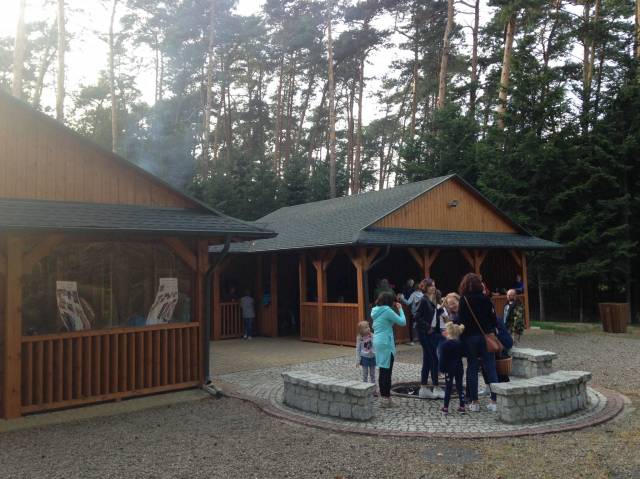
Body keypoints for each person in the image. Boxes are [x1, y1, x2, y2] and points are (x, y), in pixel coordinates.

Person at [458, 272, 499, 412]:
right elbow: (494, 319)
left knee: (472, 368)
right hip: (486, 336)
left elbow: (461, 320)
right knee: (490, 367)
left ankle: (474, 402)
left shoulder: (464, 300)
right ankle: (494, 401)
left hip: (470, 338)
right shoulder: (486, 298)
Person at [371, 292, 406, 407]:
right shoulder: (387, 311)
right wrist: (400, 309)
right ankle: (386, 399)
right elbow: (402, 322)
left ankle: (384, 398)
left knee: (382, 370)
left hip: (378, 341)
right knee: (387, 371)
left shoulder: (375, 310)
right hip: (386, 342)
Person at [414, 278, 445, 399]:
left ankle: (424, 388)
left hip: (430, 333)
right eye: (431, 285)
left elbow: (433, 315)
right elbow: (417, 317)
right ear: (426, 287)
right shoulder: (423, 300)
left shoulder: (430, 300)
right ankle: (435, 387)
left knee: (428, 359)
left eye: (434, 285)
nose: (434, 287)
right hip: (424, 333)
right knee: (433, 359)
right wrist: (428, 327)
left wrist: (440, 310)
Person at [439, 322, 466, 414]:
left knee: (448, 387)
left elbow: (442, 359)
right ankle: (462, 406)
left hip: (449, 369)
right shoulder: (461, 344)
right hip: (459, 367)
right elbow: (464, 354)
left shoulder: (444, 345)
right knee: (459, 386)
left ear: (448, 332)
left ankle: (445, 407)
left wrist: (441, 369)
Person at [398, 280, 421, 345]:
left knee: (411, 327)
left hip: (414, 313)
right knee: (420, 326)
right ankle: (421, 340)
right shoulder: (422, 295)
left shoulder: (413, 294)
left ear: (415, 288)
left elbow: (408, 303)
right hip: (421, 313)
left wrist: (402, 298)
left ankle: (412, 341)